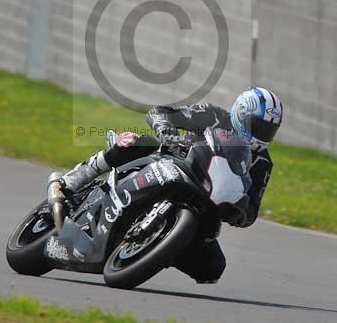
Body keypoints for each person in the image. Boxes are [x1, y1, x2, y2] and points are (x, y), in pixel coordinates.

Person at [54, 87, 283, 284]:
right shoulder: (213, 115)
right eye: (257, 126)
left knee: (213, 267)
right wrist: (166, 129)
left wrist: (239, 214)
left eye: (268, 131)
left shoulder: (263, 163)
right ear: (240, 114)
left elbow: (252, 208)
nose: (261, 135)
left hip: (205, 202)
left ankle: (158, 248)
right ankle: (77, 177)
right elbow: (159, 112)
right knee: (137, 142)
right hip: (172, 163)